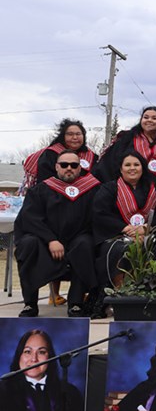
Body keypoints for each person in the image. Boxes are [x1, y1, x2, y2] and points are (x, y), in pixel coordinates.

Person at [20, 119, 98, 306]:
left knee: (85, 244)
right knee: (29, 244)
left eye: (73, 165)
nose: (69, 168)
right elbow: (30, 219)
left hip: (77, 239)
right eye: (64, 165)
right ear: (56, 166)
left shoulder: (92, 188)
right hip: (47, 240)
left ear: (80, 168)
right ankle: (30, 304)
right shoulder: (41, 190)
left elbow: (95, 218)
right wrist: (51, 239)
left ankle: (76, 303)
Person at [91, 151, 156, 317]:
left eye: (136, 165)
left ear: (143, 168)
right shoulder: (110, 188)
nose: (132, 168)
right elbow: (100, 213)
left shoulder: (155, 188)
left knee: (155, 250)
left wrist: (146, 227)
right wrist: (125, 228)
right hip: (117, 234)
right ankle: (118, 296)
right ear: (121, 169)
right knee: (119, 250)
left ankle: (148, 298)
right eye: (128, 165)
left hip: (148, 233)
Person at [0, 329, 84, 411]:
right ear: (19, 356)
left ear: (50, 356)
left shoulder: (70, 392)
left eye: (41, 352)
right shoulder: (3, 391)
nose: (34, 359)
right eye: (27, 352)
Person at [95, 106, 156, 189]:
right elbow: (109, 165)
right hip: (130, 191)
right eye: (146, 117)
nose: (149, 120)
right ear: (141, 120)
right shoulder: (126, 140)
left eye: (154, 118)